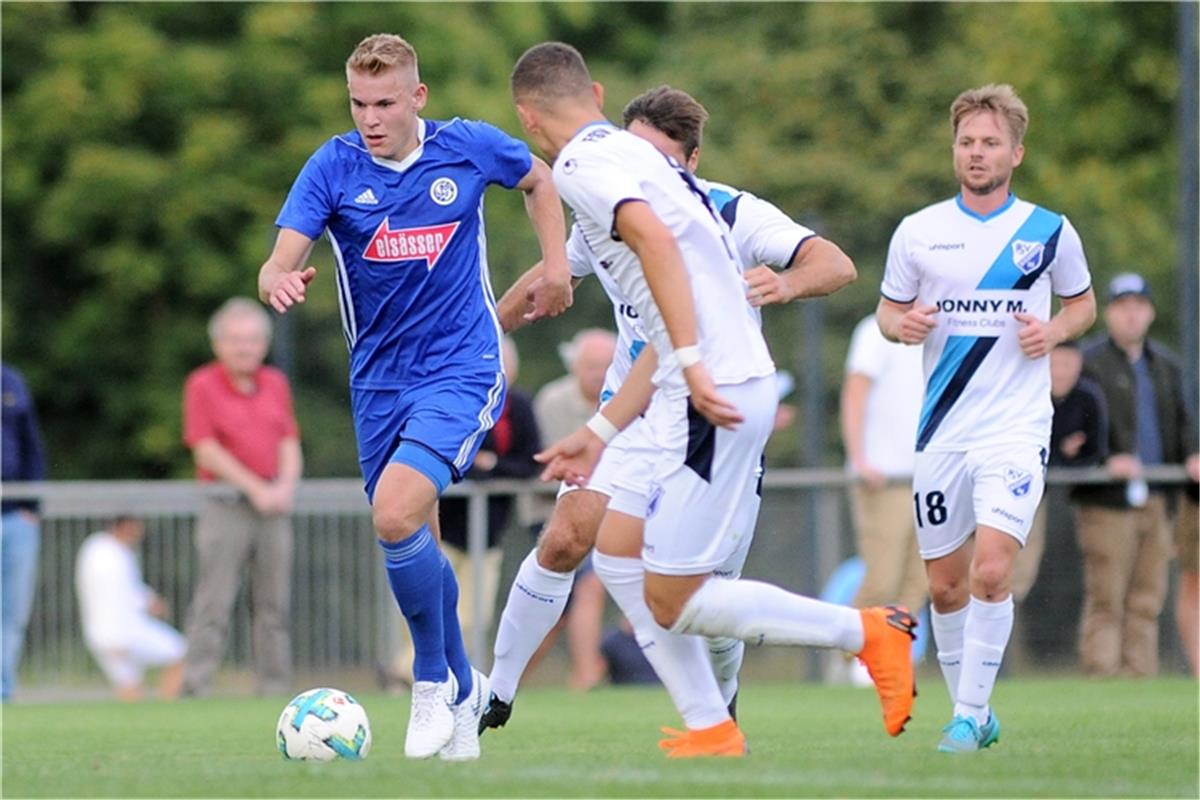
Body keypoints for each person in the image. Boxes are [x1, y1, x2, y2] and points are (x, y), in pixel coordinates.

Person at [512, 47, 915, 758]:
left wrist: (694, 365)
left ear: (526, 117)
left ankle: (867, 633)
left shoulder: (582, 166)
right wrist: (601, 429)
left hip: (713, 391)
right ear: (597, 96)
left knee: (677, 597)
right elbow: (654, 322)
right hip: (690, 385)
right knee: (616, 551)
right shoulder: (644, 163)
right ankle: (712, 725)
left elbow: (659, 252)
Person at [257, 33, 570, 761]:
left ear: (417, 98)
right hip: (378, 383)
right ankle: (465, 687)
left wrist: (555, 265)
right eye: (360, 103)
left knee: (395, 512)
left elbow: (541, 180)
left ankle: (430, 680)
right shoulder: (332, 166)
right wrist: (277, 278)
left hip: (463, 365)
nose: (371, 117)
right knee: (407, 531)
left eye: (386, 103)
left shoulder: (465, 148)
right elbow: (280, 258)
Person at [876, 83, 1096, 753]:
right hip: (943, 429)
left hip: (1015, 428)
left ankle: (969, 717)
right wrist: (903, 325)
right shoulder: (918, 232)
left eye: (990, 142)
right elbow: (888, 314)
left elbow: (1081, 307)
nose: (977, 153)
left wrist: (1053, 334)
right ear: (955, 150)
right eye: (967, 142)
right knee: (944, 587)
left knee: (991, 572)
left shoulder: (1048, 231)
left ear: (1016, 152)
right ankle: (976, 709)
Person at [381, 336, 541, 689]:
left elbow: (529, 462)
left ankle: (416, 674)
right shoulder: (455, 403)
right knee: (428, 602)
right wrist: (477, 466)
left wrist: (491, 465)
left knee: (474, 616)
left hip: (489, 532)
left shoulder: (519, 407)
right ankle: (413, 674)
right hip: (442, 525)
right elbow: (448, 458)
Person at [1074, 273, 1198, 678]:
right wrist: (1105, 458)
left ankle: (1138, 680)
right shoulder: (1088, 364)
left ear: (1149, 313)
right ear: (1108, 313)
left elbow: (1182, 423)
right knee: (1107, 595)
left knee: (1147, 599)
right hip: (1107, 500)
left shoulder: (1166, 365)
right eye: (1122, 307)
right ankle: (1102, 678)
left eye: (1138, 307)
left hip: (1159, 497)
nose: (1131, 316)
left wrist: (1193, 454)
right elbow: (1075, 427)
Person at [181, 298, 302, 699]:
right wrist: (257, 488)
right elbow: (206, 449)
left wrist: (284, 487)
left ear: (263, 344)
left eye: (251, 340)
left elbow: (289, 440)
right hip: (226, 503)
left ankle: (274, 687)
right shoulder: (202, 384)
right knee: (213, 601)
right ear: (218, 345)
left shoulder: (275, 383)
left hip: (274, 506)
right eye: (235, 340)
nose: (244, 348)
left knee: (274, 606)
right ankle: (196, 686)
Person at [839, 314, 927, 685]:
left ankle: (891, 658)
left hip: (927, 476)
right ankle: (848, 659)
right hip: (883, 477)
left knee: (919, 582)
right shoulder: (875, 329)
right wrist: (859, 458)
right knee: (882, 578)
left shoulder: (944, 328)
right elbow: (855, 391)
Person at [528, 329, 616, 692]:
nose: (598, 373)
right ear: (575, 366)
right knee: (552, 611)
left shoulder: (629, 397)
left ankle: (585, 676)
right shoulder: (551, 401)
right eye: (592, 366)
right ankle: (504, 682)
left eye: (606, 366)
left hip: (608, 516)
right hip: (552, 513)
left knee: (590, 587)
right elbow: (543, 462)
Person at [75, 516, 187, 701]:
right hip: (124, 630)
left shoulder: (94, 548)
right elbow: (123, 591)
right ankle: (167, 711)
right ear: (122, 526)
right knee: (180, 653)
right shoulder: (113, 553)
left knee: (130, 686)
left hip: (98, 632)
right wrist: (150, 602)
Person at [1, 363, 47, 703]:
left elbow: (32, 445)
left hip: (16, 514)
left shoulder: (11, 381)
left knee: (12, 612)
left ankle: (3, 691)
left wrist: (32, 505)